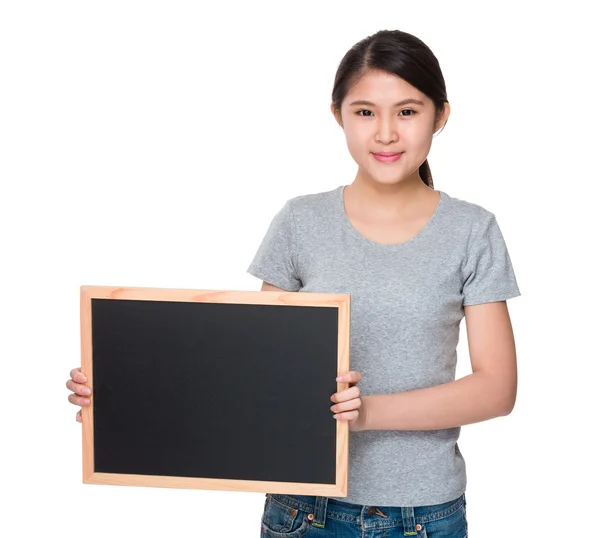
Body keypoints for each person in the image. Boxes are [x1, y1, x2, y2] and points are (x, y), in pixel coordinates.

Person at [67, 29, 520, 537]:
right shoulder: (300, 222)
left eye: (408, 111)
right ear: (338, 116)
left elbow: (496, 389)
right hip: (303, 511)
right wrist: (121, 394)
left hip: (421, 513)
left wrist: (368, 413)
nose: (386, 133)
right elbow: (253, 373)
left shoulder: (471, 230)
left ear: (441, 116)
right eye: (365, 112)